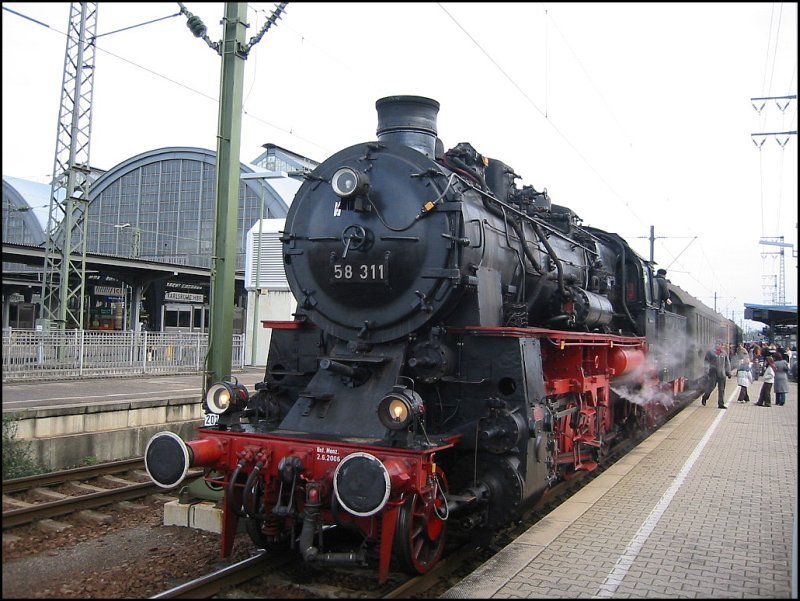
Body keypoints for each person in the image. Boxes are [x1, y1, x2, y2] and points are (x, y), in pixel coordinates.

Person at [701, 344, 732, 408]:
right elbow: (706, 362)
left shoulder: (724, 353)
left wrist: (728, 372)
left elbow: (727, 363)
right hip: (713, 373)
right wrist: (706, 370)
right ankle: (705, 397)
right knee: (711, 387)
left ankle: (721, 404)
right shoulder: (710, 352)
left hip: (722, 374)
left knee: (721, 389)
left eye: (720, 344)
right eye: (717, 344)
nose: (718, 346)